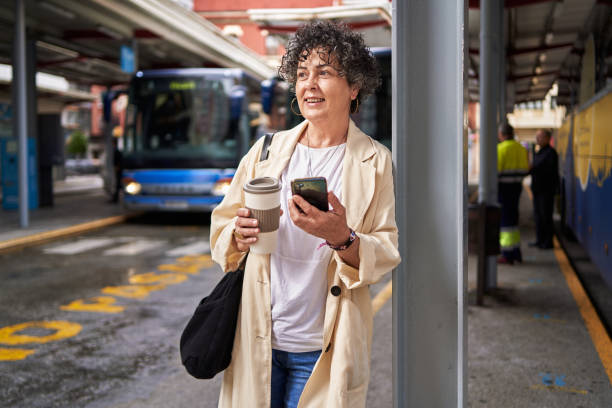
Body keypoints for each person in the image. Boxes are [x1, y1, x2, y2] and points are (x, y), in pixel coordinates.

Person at [210, 20, 400, 408]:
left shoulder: (375, 161)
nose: (309, 83)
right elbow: (221, 229)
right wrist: (237, 232)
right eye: (301, 73)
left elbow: (386, 250)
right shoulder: (265, 152)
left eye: (324, 72)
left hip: (322, 345)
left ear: (353, 88)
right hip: (258, 335)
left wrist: (341, 237)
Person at [497, 122, 529, 265]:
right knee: (513, 219)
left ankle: (507, 254)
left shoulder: (500, 149)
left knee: (505, 222)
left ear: (502, 134)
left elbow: (496, 173)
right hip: (517, 188)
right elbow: (525, 170)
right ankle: (516, 252)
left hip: (503, 189)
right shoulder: (522, 149)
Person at [529, 129, 559, 249]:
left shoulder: (550, 153)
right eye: (537, 137)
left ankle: (547, 242)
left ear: (547, 138)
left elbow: (545, 170)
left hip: (546, 191)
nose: (537, 139)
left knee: (546, 216)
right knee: (538, 216)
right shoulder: (539, 152)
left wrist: (533, 167)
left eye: (540, 137)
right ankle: (540, 240)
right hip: (537, 190)